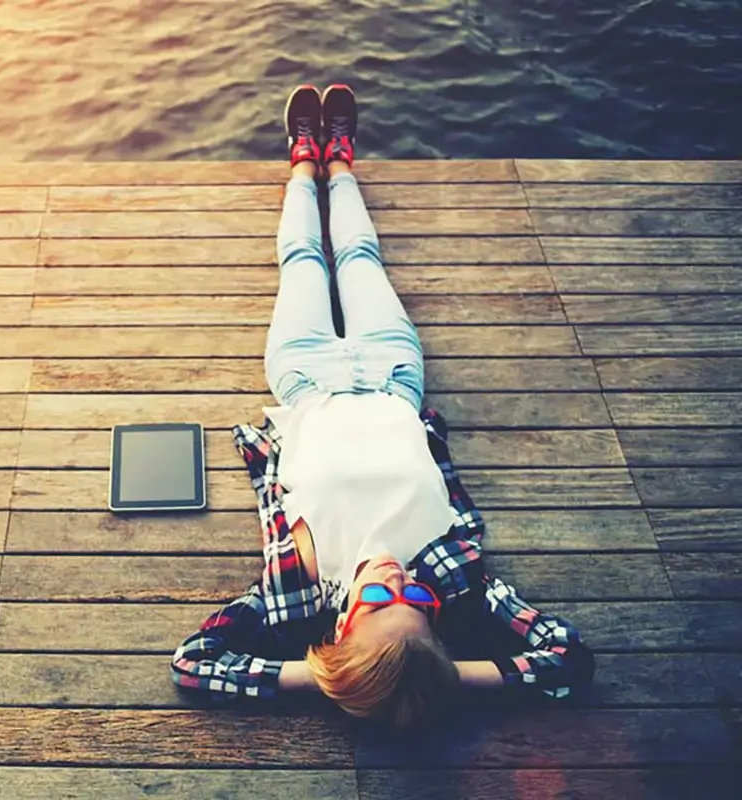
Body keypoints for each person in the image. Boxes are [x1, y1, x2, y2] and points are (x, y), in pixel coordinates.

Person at [170, 84, 595, 729]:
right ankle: (339, 159)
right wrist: (441, 676)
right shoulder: (459, 582)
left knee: (304, 259)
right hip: (394, 377)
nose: (397, 577)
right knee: (361, 257)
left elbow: (195, 663)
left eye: (378, 597)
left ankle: (301, 160)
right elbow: (566, 659)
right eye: (414, 600)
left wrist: (331, 677)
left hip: (308, 379)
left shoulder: (294, 589)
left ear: (341, 624)